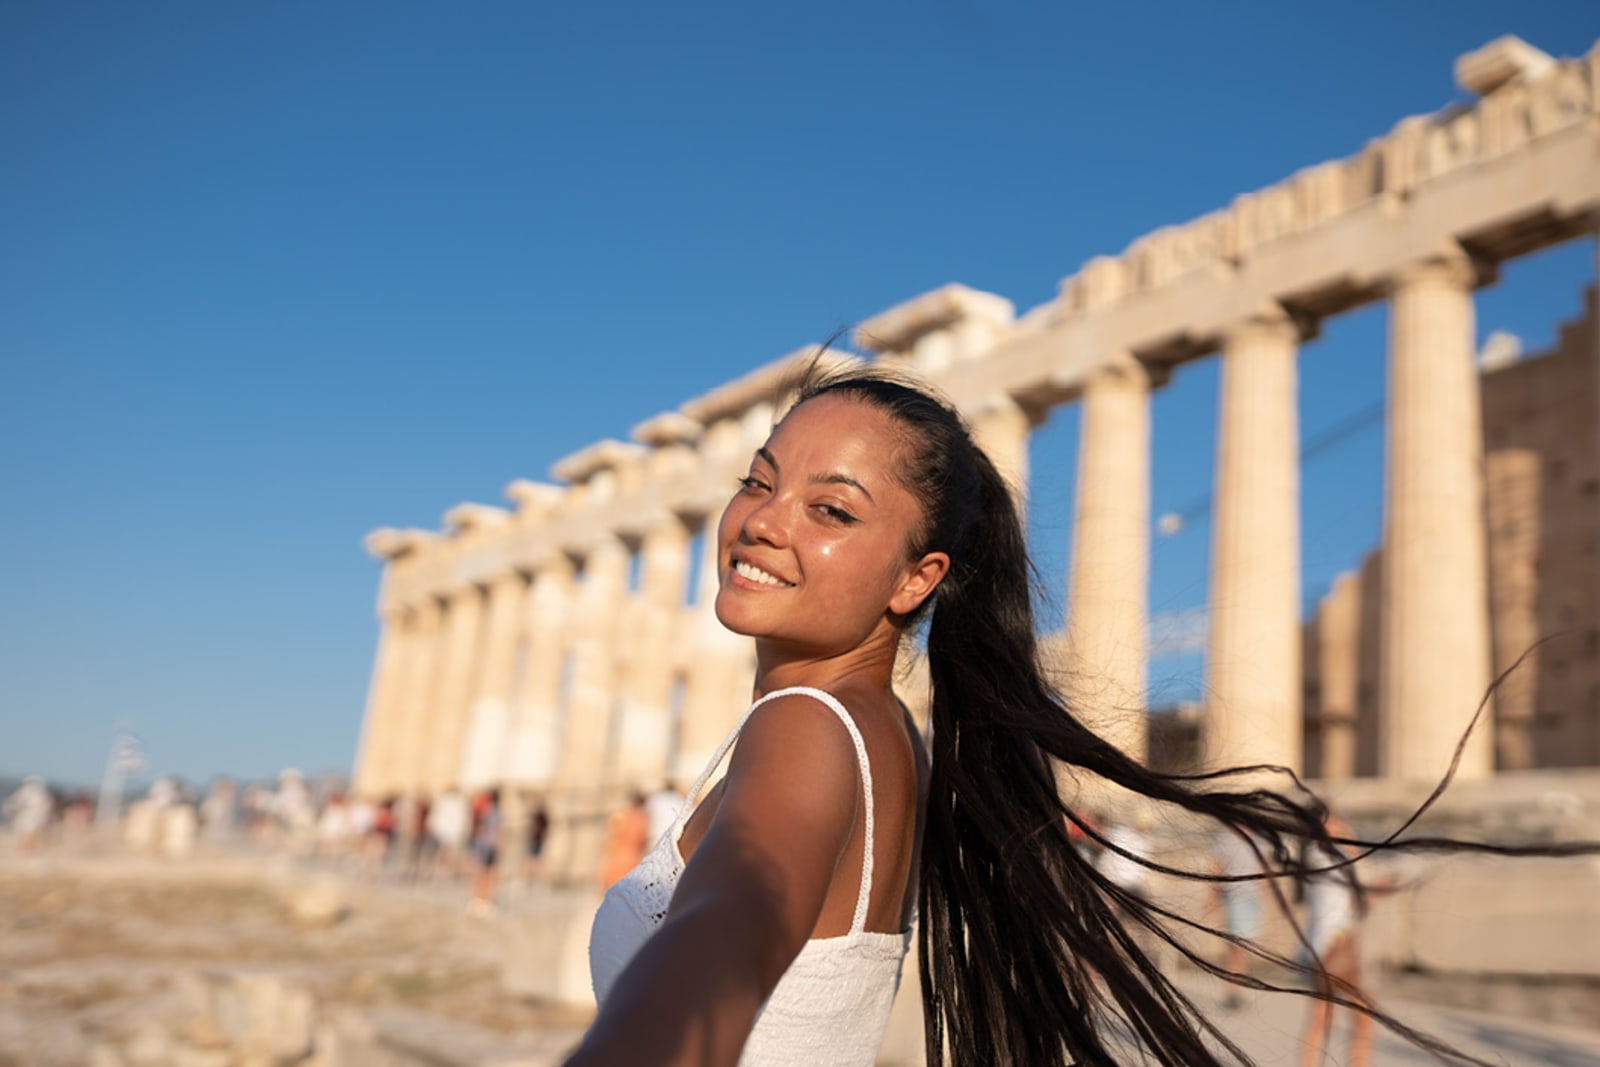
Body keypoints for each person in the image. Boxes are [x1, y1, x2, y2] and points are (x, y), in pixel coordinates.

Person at [566, 364, 1591, 1067]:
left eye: (832, 509)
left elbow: (728, 929)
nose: (764, 520)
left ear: (918, 577)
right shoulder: (872, 728)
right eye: (759, 479)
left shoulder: (811, 725)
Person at [595, 790, 650, 892]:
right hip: (632, 858)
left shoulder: (621, 816)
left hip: (616, 857)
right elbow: (643, 840)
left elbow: (609, 836)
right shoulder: (643, 819)